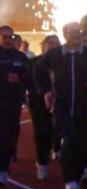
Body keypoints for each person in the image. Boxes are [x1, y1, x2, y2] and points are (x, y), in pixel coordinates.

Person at [38, 22, 87, 189]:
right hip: (62, 108)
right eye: (72, 32)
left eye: (78, 31)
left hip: (85, 108)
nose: (76, 34)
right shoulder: (54, 55)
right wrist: (45, 91)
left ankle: (79, 172)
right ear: (65, 34)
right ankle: (70, 180)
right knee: (68, 142)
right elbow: (39, 72)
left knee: (82, 144)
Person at [0, 25, 33, 185]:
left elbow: (31, 79)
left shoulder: (20, 58)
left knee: (6, 136)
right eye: (4, 37)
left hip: (12, 104)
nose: (7, 40)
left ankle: (2, 169)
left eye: (10, 37)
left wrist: (19, 80)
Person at [29, 34, 62, 181]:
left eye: (56, 44)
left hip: (60, 103)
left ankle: (57, 147)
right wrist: (42, 92)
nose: (53, 46)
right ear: (43, 46)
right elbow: (29, 81)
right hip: (39, 103)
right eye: (50, 43)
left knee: (57, 131)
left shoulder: (64, 62)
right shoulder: (34, 62)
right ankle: (42, 164)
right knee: (42, 133)